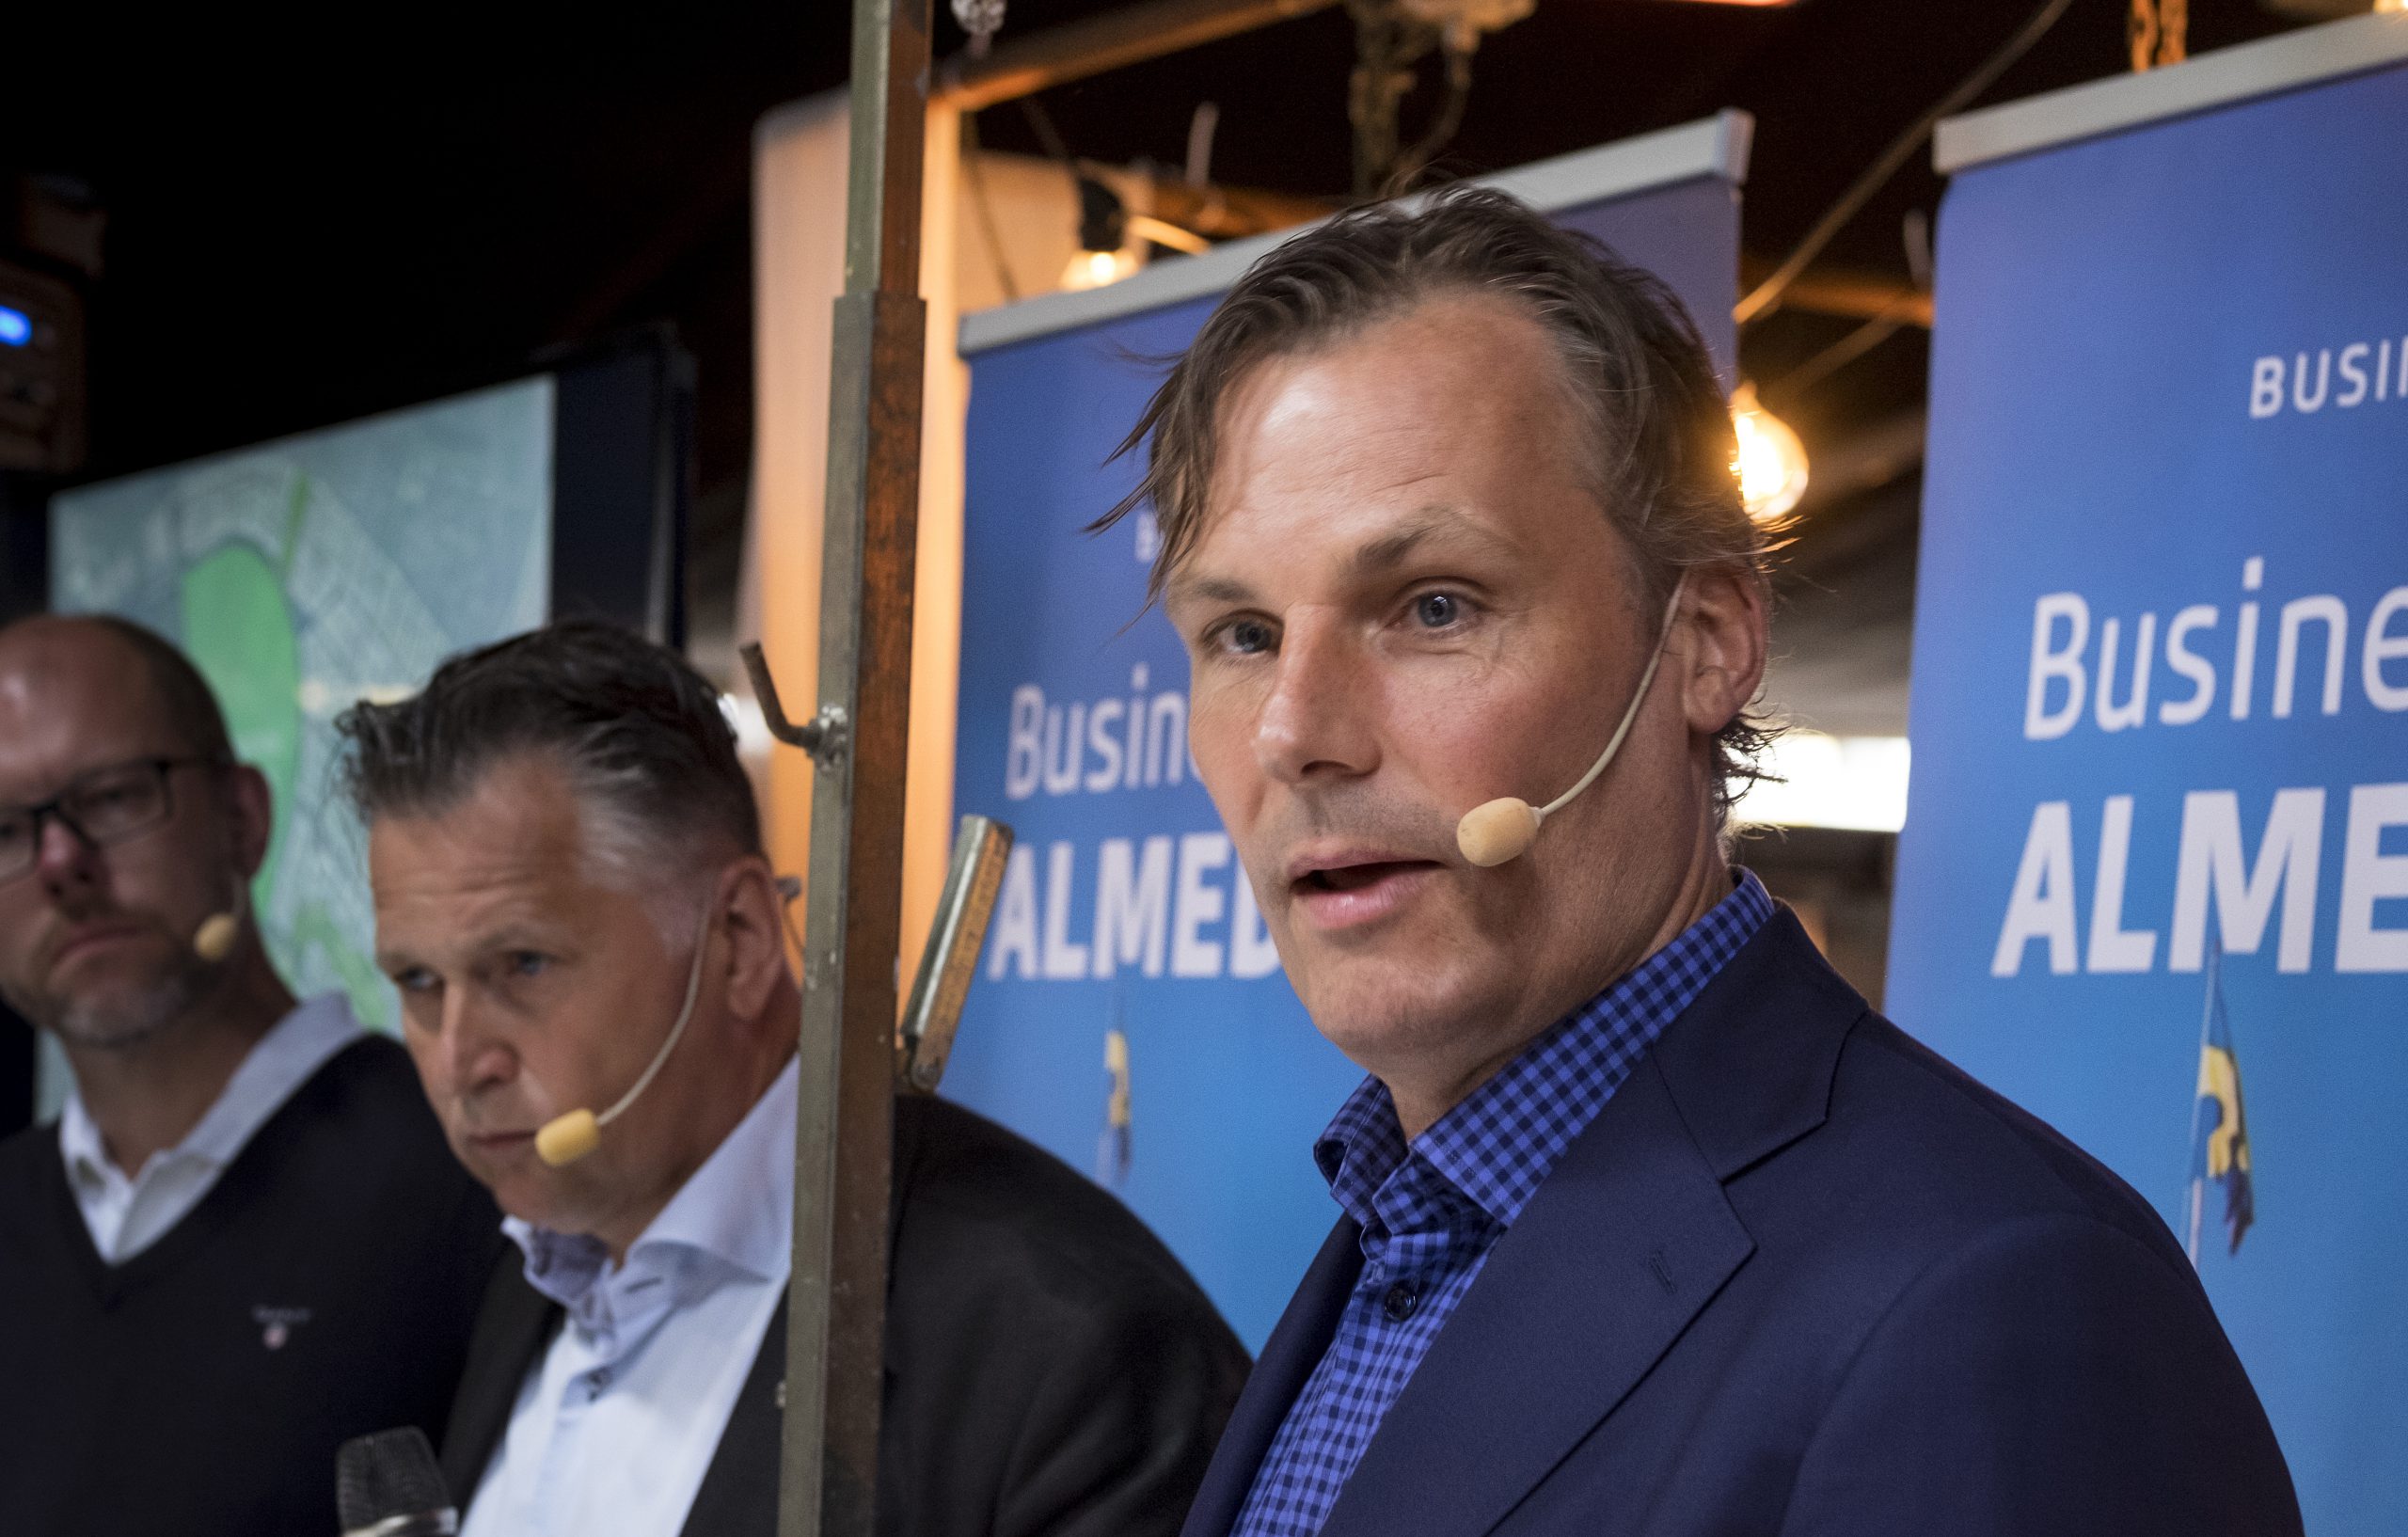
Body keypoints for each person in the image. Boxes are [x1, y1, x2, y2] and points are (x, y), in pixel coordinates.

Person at [1115, 187, 2304, 1537]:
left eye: (1433, 606)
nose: (1294, 733)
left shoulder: (2000, 1295)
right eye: (1243, 634)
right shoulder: (1406, 1220)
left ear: (1707, 641)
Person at [339, 621, 1248, 1537]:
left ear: (737, 939)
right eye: (417, 981)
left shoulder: (1076, 1349)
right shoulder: (519, 1266)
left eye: (525, 964)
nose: (458, 1061)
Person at [0, 614, 502, 1536]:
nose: (64, 862)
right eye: (4, 832)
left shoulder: (467, 1173)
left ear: (243, 817)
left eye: (112, 797)